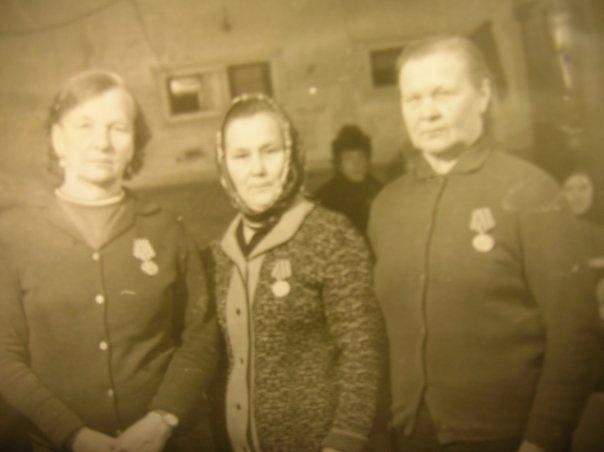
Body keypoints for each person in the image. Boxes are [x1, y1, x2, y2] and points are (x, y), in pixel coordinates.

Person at [368, 35, 600, 452]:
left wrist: (542, 439)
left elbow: (575, 334)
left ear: (483, 95)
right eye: (413, 98)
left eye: (443, 94)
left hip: (505, 439)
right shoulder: (387, 205)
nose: (427, 112)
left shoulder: (531, 191)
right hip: (409, 437)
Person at [0, 70, 219, 452]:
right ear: (58, 139)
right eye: (85, 125)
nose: (102, 142)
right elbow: (4, 354)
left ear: (135, 142)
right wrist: (72, 435)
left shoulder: (167, 230)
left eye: (118, 127)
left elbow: (201, 336)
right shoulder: (13, 235)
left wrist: (163, 419)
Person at [210, 93, 384, 452]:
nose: (257, 169)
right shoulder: (220, 253)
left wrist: (344, 440)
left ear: (291, 153)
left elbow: (363, 349)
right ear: (224, 164)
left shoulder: (331, 235)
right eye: (241, 156)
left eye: (270, 151)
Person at [314, 125, 382, 232]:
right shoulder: (325, 197)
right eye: (348, 157)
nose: (357, 163)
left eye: (361, 156)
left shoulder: (379, 190)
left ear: (368, 160)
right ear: (339, 164)